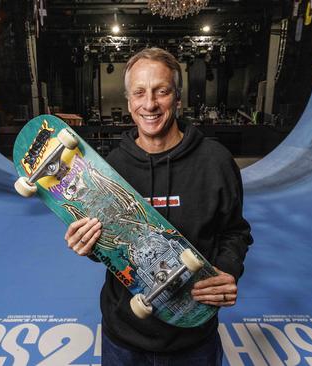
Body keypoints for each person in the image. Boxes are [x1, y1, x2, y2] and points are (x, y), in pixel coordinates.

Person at [64, 47, 253, 365]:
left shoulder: (215, 162)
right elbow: (114, 249)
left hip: (192, 335)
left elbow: (235, 231)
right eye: (139, 92)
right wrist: (89, 244)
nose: (149, 104)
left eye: (161, 91)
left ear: (177, 98)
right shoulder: (111, 168)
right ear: (128, 101)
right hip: (124, 336)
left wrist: (227, 270)